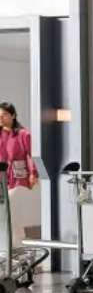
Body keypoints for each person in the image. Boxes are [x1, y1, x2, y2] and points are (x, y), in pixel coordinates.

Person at [0, 102, 39, 247]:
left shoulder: (24, 134)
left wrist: (34, 173)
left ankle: (17, 248)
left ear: (13, 115)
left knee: (11, 211)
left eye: (4, 115)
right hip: (2, 179)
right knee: (5, 216)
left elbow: (34, 154)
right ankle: (10, 248)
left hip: (18, 179)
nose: (1, 118)